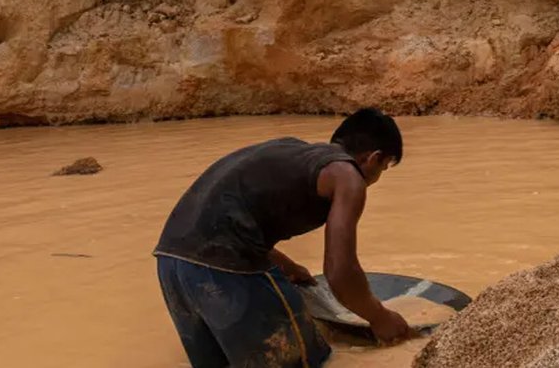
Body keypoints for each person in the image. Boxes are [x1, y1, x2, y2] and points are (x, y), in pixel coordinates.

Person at [154, 108, 414, 367]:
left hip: (171, 262)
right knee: (308, 361)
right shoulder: (347, 176)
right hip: (226, 267)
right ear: (374, 158)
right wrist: (380, 317)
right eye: (384, 167)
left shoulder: (292, 151)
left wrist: (288, 267)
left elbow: (227, 219)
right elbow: (339, 271)